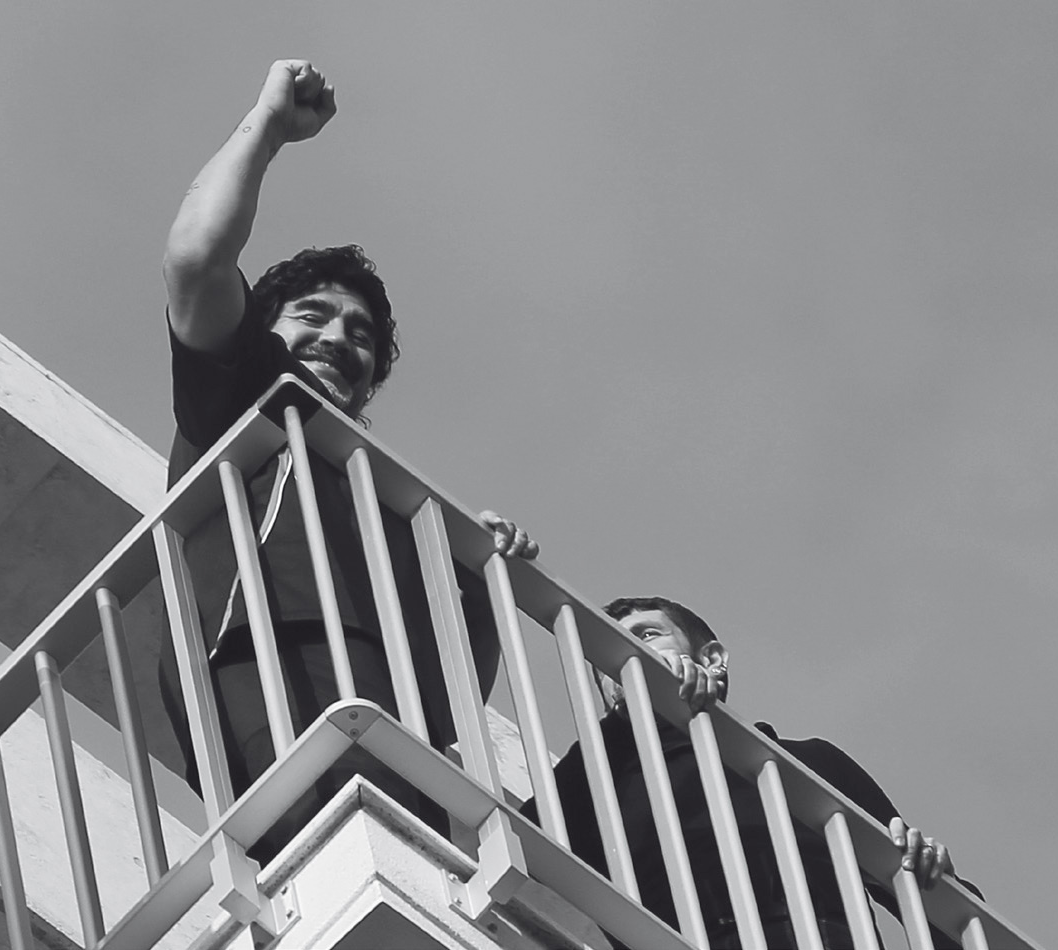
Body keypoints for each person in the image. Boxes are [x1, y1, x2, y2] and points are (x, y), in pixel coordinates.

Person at [157, 59, 537, 861]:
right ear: (264, 330)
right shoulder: (247, 395)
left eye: (360, 335)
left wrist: (476, 563)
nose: (338, 340)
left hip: (404, 730)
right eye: (314, 316)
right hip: (272, 665)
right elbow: (195, 260)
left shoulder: (384, 495)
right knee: (332, 861)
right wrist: (266, 125)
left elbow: (458, 677)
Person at [524, 596, 979, 950]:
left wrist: (931, 875)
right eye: (607, 658)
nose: (624, 658)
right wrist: (479, 585)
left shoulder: (808, 764)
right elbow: (492, 840)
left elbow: (942, 917)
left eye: (647, 636)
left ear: (713, 660)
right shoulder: (597, 780)